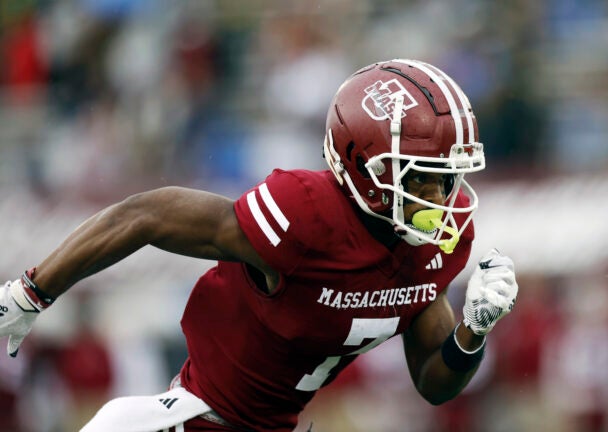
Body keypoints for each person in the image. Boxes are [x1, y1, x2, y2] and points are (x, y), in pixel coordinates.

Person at [0, 59, 518, 431]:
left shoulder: (437, 245)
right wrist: (31, 293)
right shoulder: (307, 214)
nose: (442, 199)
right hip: (194, 420)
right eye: (424, 178)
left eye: (449, 180)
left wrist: (472, 332)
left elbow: (433, 382)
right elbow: (148, 214)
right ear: (366, 169)